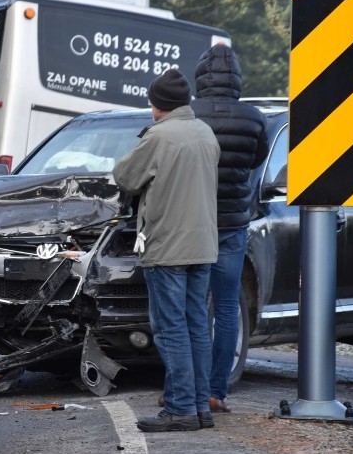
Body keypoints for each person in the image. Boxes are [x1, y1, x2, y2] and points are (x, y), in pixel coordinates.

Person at [112, 69, 220, 432]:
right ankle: (200, 408)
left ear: (159, 104)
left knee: (171, 329)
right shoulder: (205, 133)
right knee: (196, 327)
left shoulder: (159, 137)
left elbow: (125, 177)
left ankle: (179, 409)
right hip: (203, 246)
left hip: (168, 247)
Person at [190, 43, 269, 413]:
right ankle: (216, 392)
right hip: (234, 224)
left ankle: (189, 388)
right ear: (237, 78)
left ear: (201, 76)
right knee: (225, 309)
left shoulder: (188, 115)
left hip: (194, 223)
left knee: (191, 308)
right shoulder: (253, 118)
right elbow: (258, 159)